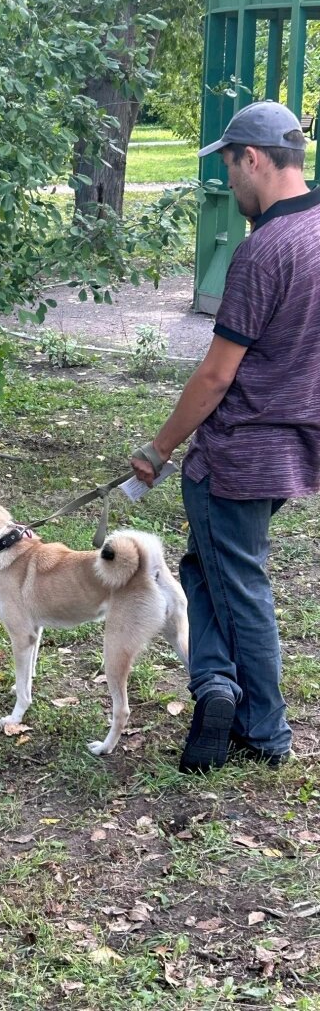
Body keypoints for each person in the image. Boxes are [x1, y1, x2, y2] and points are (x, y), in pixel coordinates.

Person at [130, 101, 320, 773]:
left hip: (237, 454)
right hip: (294, 454)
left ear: (254, 159)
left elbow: (214, 377)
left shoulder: (262, 251)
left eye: (230, 168)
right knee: (211, 571)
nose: (229, 186)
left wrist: (157, 450)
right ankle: (217, 687)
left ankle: (261, 727)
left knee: (237, 585)